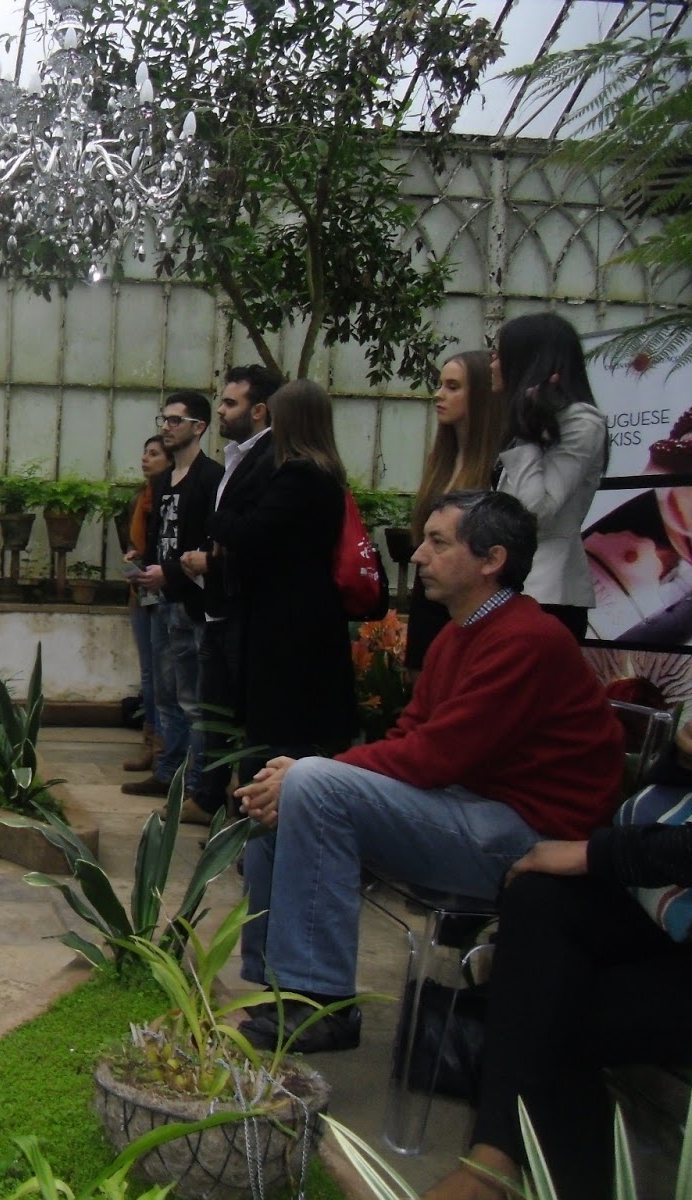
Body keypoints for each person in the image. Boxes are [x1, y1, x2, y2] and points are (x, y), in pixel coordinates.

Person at [233, 490, 623, 1053]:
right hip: (470, 807)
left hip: (534, 838)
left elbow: (436, 756)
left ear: (491, 560)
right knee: (283, 804)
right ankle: (281, 987)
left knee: (310, 784)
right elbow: (411, 740)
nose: (418, 555)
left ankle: (321, 1005)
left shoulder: (527, 640)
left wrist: (315, 773)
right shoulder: (461, 633)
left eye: (438, 543)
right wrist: (300, 781)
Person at [423, 753, 692, 1200]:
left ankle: (501, 1174)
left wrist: (593, 853)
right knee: (541, 899)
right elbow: (662, 790)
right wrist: (683, 755)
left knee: (553, 1006)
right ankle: (496, 1156)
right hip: (670, 915)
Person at [208, 379, 356, 771]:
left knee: (279, 726)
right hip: (300, 612)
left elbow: (253, 532)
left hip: (288, 620)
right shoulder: (324, 473)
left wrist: (219, 519)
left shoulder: (299, 476)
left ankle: (271, 799)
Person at [181, 364, 282, 820]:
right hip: (218, 603)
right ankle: (209, 796)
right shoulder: (239, 456)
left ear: (259, 410)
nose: (220, 410)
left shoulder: (270, 460)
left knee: (241, 715)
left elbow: (256, 536)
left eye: (229, 402)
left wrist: (215, 559)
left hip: (243, 606)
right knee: (214, 709)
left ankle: (243, 808)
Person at [124, 392, 223, 801]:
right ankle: (167, 771)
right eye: (164, 419)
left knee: (192, 698)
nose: (167, 426)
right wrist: (148, 572)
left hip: (191, 601)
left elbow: (210, 544)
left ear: (199, 427)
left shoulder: (211, 478)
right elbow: (158, 539)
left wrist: (170, 573)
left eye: (175, 420)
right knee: (164, 691)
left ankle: (196, 783)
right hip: (160, 597)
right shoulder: (164, 481)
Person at [493, 311, 608, 642]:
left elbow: (535, 512)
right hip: (510, 586)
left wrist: (526, 431)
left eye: (499, 354)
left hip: (548, 593)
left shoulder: (582, 422)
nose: (493, 364)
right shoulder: (533, 420)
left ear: (527, 360)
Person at [406, 349, 505, 670]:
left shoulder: (500, 466)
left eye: (452, 387)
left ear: (480, 396)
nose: (439, 394)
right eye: (440, 385)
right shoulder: (440, 461)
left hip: (472, 607)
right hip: (429, 600)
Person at [122, 434, 173, 773]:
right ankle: (150, 742)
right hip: (141, 591)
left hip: (166, 590)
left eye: (154, 454)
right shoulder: (139, 499)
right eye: (144, 453)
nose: (146, 459)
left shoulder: (171, 498)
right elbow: (135, 541)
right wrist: (133, 555)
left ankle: (165, 747)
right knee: (149, 672)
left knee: (166, 673)